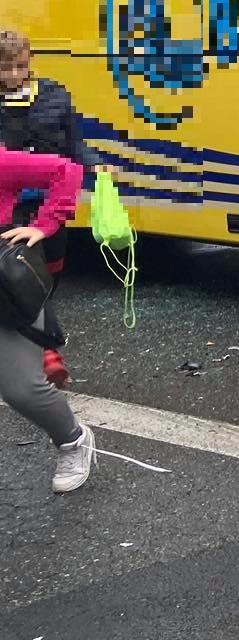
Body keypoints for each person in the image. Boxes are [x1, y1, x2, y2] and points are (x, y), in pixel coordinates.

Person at [0, 30, 98, 390]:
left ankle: (35, 335)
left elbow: (74, 141)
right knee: (19, 274)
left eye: (19, 67)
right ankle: (46, 353)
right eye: (5, 68)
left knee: (51, 270)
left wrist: (94, 166)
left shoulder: (54, 95)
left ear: (30, 62)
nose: (12, 76)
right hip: (10, 204)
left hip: (50, 198)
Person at [0, 144, 92, 493]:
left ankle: (73, 441)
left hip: (6, 294)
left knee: (22, 389)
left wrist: (44, 225)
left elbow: (65, 171)